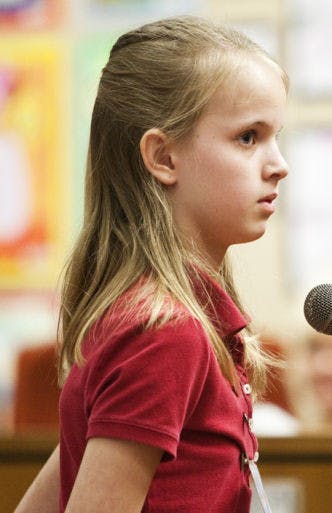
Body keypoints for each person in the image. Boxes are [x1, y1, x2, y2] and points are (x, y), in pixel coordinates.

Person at [14, 15, 289, 513]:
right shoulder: (163, 333)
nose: (278, 163)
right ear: (163, 157)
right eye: (248, 137)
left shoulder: (168, 322)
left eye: (275, 136)